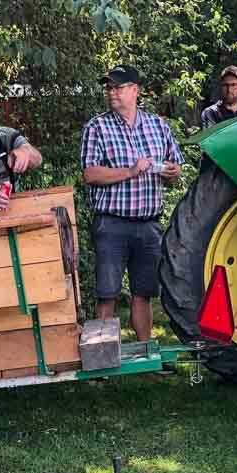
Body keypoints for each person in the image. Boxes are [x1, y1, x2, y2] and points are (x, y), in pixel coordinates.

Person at [80, 64, 183, 341]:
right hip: (112, 225)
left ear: (135, 90)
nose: (111, 92)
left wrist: (173, 172)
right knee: (107, 294)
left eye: (118, 87)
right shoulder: (97, 127)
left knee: (143, 294)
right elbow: (90, 174)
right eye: (108, 88)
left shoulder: (158, 125)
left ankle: (145, 351)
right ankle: (102, 354)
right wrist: (130, 171)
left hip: (149, 225)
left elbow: (176, 167)